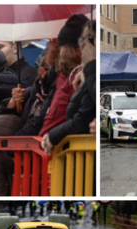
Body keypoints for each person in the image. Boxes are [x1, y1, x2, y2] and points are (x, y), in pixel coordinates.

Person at [41, 20, 96, 155]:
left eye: (86, 39)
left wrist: (90, 66)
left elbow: (82, 117)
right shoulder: (76, 75)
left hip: (78, 156)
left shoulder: (86, 72)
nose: (82, 44)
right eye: (80, 39)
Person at [38, 14, 88, 137]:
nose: (58, 51)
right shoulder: (64, 75)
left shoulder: (78, 76)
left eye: (61, 47)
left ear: (75, 50)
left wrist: (53, 137)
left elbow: (80, 119)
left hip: (62, 151)